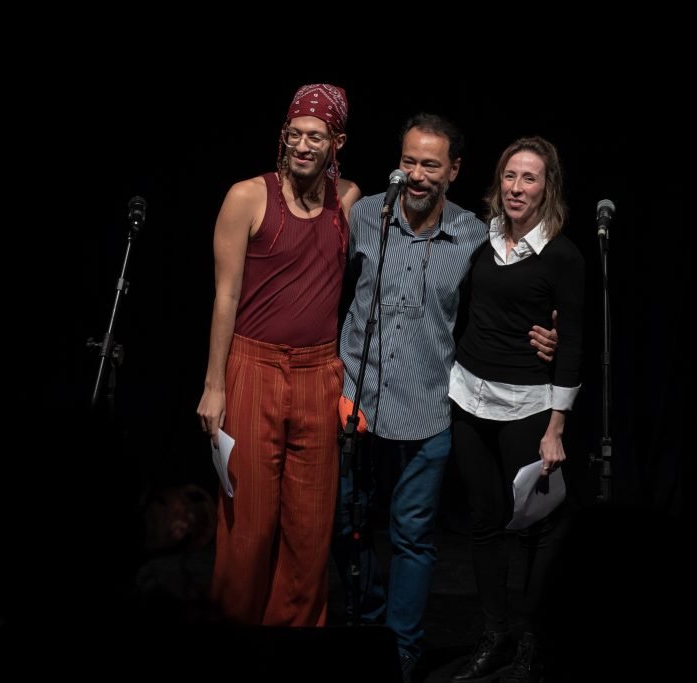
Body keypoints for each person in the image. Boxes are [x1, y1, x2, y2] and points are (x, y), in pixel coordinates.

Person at [333, 115, 558, 681]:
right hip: (354, 404)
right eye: (409, 161)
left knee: (412, 538)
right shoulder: (366, 216)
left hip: (429, 409)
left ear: (453, 171)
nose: (416, 174)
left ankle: (402, 651)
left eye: (430, 164)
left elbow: (512, 295)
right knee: (346, 529)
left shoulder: (474, 237)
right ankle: (368, 622)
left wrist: (546, 330)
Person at [196, 83, 360, 627]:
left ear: (337, 141)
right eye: (296, 134)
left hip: (319, 374)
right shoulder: (248, 196)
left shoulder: (349, 201)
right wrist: (214, 386)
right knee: (247, 525)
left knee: (310, 530)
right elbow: (225, 295)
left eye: (317, 136)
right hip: (253, 367)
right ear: (283, 136)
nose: (304, 145)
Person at [448, 136, 584, 683]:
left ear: (547, 186)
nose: (517, 187)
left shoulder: (563, 255)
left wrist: (556, 427)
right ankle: (493, 632)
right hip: (468, 396)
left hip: (527, 406)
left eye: (529, 178)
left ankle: (530, 636)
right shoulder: (482, 239)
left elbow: (570, 344)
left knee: (530, 528)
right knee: (482, 522)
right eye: (509, 176)